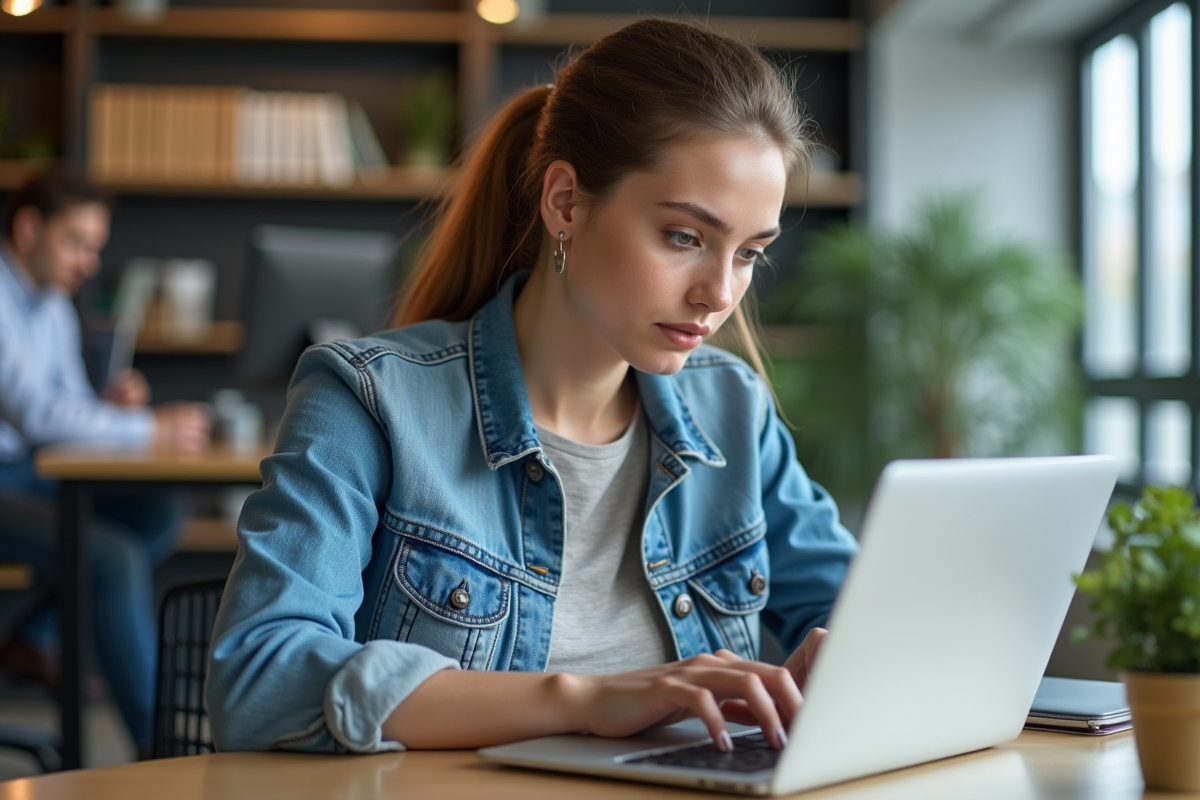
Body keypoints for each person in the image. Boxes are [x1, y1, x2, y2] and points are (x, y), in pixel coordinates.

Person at [207, 18, 858, 756]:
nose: (719, 293)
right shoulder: (368, 401)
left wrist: (854, 656)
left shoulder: (731, 408)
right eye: (684, 237)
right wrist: (584, 700)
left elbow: (862, 610)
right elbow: (258, 680)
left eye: (749, 254)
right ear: (565, 203)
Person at [0, 167, 212, 757]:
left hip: (26, 474)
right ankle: (161, 748)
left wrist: (109, 406)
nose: (89, 261)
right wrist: (147, 427)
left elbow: (66, 411)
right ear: (27, 228)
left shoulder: (53, 304)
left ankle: (37, 636)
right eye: (77, 242)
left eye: (95, 246)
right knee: (111, 559)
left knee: (158, 512)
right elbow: (37, 416)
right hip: (6, 478)